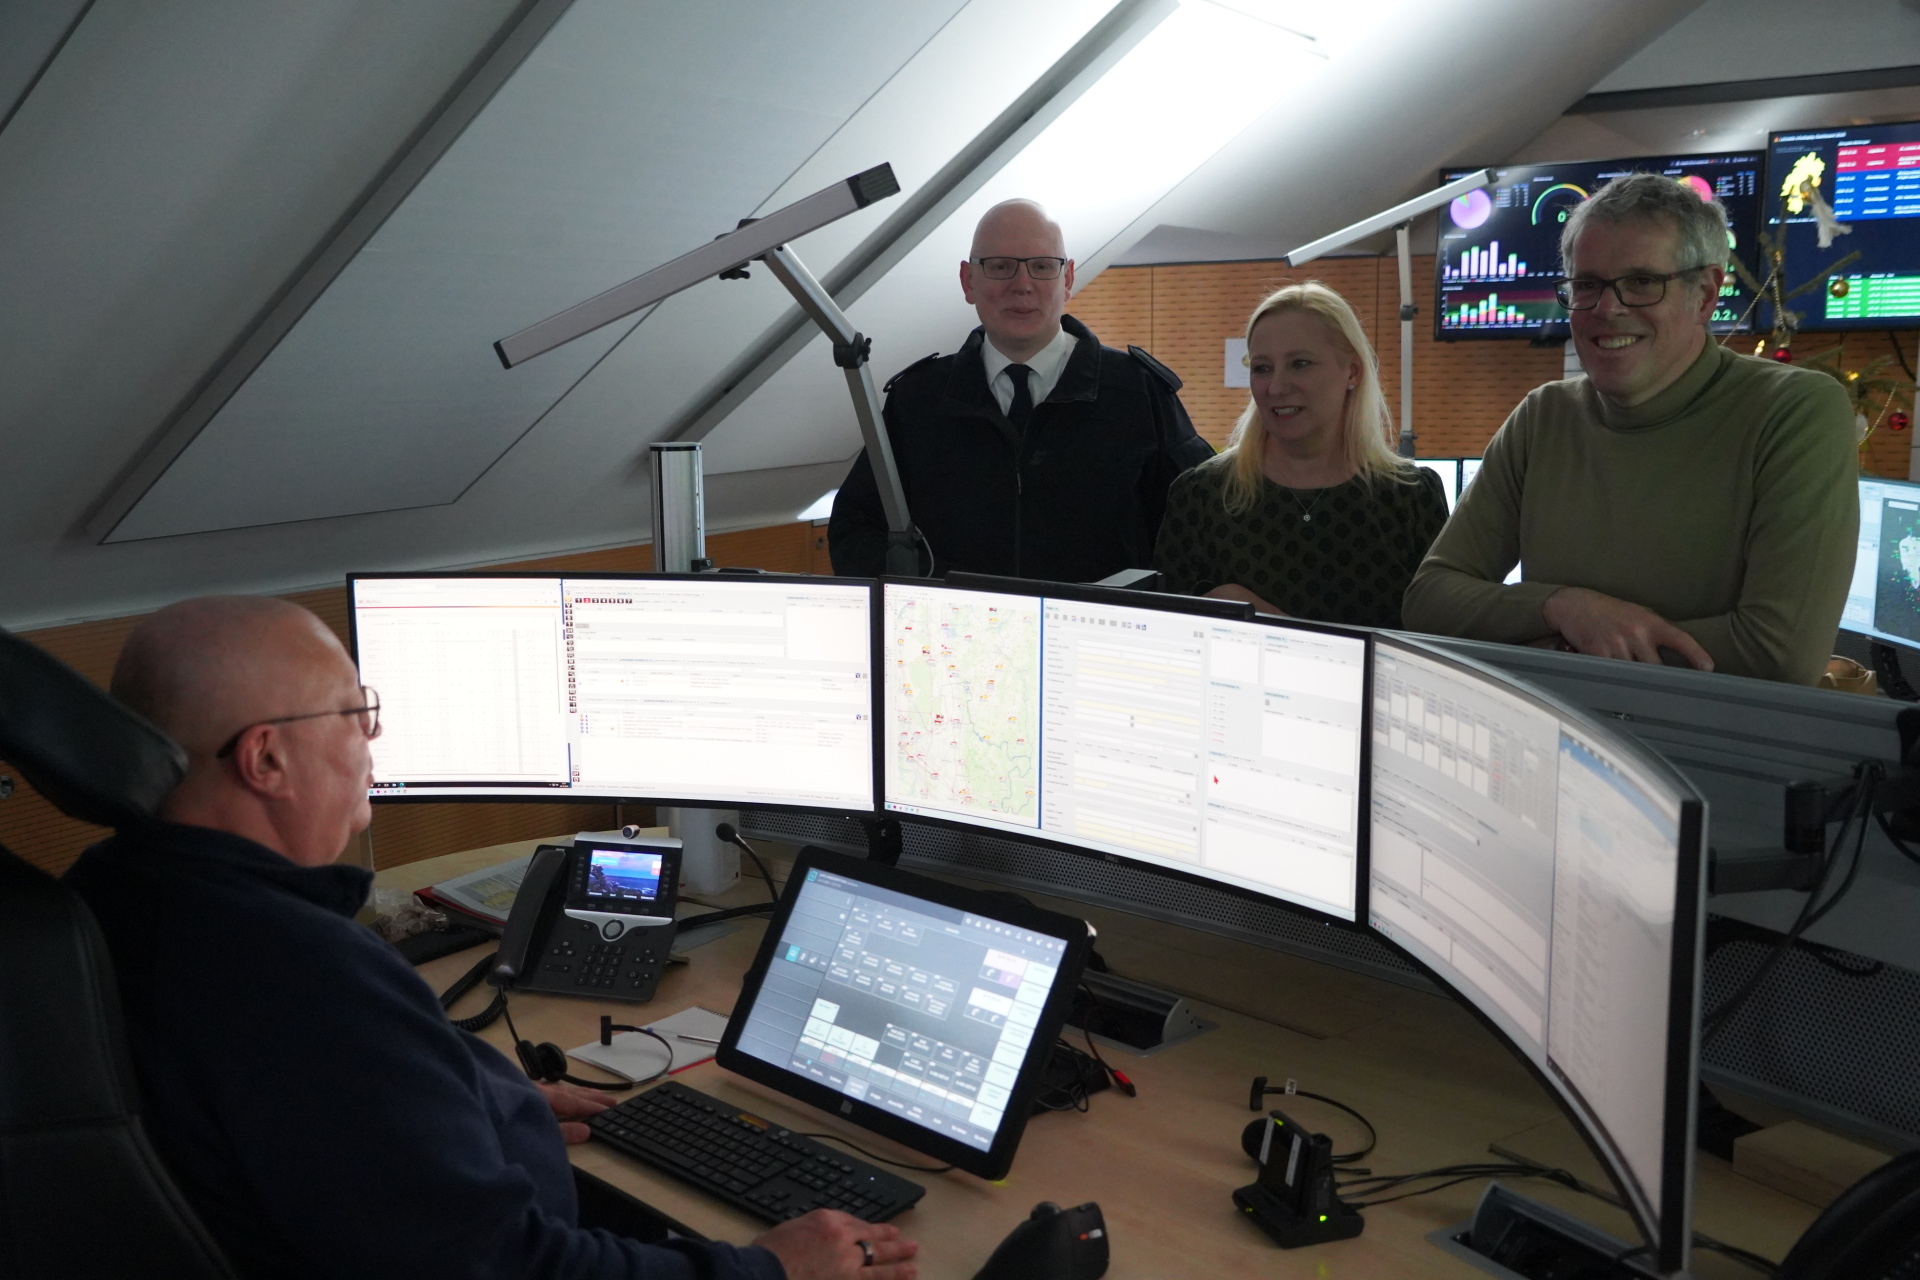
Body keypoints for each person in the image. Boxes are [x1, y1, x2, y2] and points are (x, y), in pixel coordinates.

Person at [63, 595, 917, 1280]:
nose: (372, 739)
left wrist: (464, 1104)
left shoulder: (112, 896)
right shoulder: (298, 978)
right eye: (355, 712)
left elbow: (328, 1132)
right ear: (266, 761)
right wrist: (768, 1268)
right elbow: (503, 1264)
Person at [1402, 173, 1857, 685]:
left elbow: (1779, 654)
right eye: (1587, 284)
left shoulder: (1794, 411)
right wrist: (1562, 606)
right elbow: (1431, 598)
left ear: (1705, 294)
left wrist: (1563, 649)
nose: (1607, 309)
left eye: (1642, 282)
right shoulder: (1543, 417)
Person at [829, 198, 1213, 582]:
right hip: (956, 636)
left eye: (1042, 267)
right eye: (1000, 267)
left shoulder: (1139, 393)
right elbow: (855, 529)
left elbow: (1203, 526)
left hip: (1096, 636)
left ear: (1067, 279)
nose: (1022, 285)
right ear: (968, 281)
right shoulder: (918, 400)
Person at [1153, 282, 1448, 626]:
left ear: (1352, 371)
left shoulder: (1412, 496)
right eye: (1262, 367)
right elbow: (1163, 641)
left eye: (1300, 364)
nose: (1276, 387)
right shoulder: (1200, 495)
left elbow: (1444, 640)